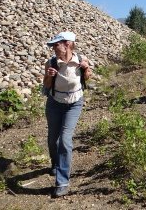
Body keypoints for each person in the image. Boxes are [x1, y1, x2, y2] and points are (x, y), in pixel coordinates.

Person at [42, 31, 92, 198]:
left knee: (65, 139)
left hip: (74, 104)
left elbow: (87, 77)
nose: (54, 48)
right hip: (54, 104)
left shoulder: (80, 60)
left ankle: (62, 182)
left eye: (56, 45)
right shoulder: (51, 62)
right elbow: (46, 85)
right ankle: (56, 164)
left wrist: (86, 69)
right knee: (52, 139)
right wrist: (49, 77)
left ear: (68, 44)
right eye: (53, 45)